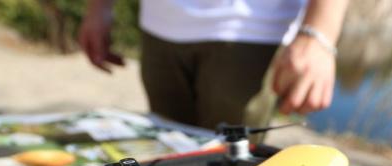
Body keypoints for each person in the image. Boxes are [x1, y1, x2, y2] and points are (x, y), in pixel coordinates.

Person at [79, 0, 349, 130]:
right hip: (158, 25)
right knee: (165, 164)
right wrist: (99, 8)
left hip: (251, 30)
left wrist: (319, 33)